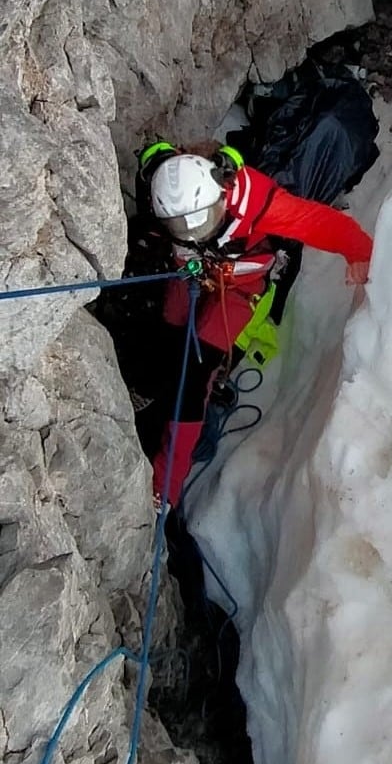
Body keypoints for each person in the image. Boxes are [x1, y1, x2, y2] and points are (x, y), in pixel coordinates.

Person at [137, 140, 373, 510]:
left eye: (203, 221)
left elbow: (314, 222)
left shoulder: (254, 201)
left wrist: (360, 251)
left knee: (196, 373)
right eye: (182, 226)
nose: (195, 232)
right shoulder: (160, 186)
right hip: (190, 276)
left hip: (238, 288)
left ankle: (167, 484)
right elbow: (157, 155)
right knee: (169, 347)